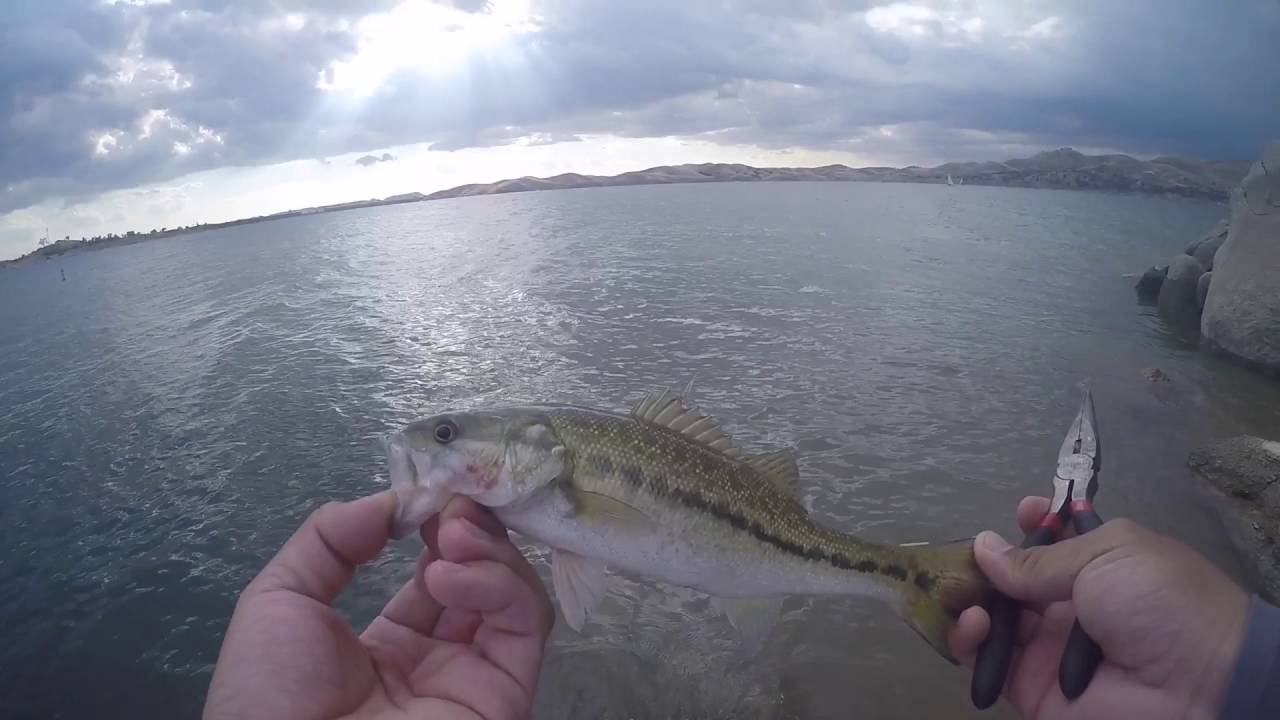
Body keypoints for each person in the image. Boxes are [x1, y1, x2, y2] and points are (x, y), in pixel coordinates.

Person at [204, 492, 1277, 720]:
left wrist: (1230, 664)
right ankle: (899, 572)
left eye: (448, 436)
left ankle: (900, 571)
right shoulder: (541, 505)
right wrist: (1231, 664)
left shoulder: (552, 483)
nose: (430, 459)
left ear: (534, 460)